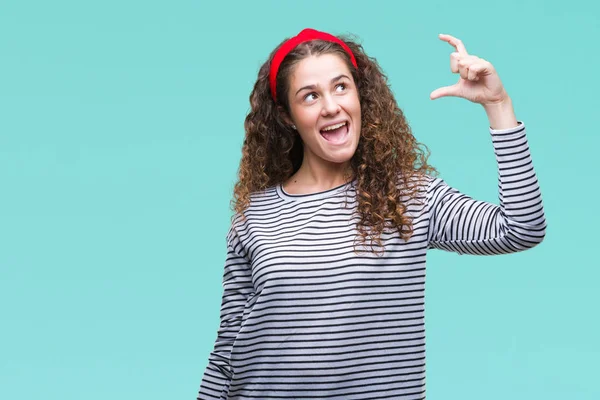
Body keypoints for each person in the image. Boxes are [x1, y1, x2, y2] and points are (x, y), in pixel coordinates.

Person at [196, 28, 546, 400]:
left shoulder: (409, 198)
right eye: (310, 96)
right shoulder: (255, 216)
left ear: (361, 94)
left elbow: (521, 227)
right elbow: (228, 347)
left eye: (341, 87)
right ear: (286, 116)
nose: (331, 106)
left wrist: (499, 105)